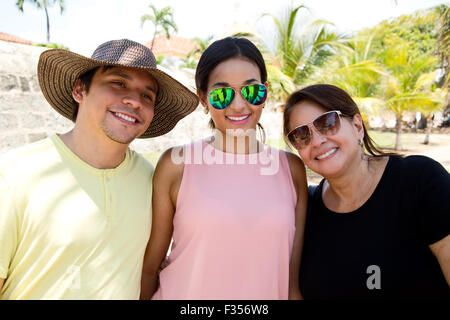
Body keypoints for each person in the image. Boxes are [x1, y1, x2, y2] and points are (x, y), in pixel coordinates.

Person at [0, 39, 199, 299]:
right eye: (118, 83)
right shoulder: (15, 173)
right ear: (80, 89)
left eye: (147, 95)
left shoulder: (152, 182)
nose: (135, 101)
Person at [140, 37, 308, 300]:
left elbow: (290, 283)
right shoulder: (176, 165)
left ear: (265, 92)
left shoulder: (291, 169)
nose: (239, 105)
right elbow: (149, 269)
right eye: (222, 94)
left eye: (251, 91)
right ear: (204, 100)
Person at [283, 84, 450, 299]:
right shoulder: (307, 209)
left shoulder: (419, 181)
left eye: (327, 123)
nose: (317, 141)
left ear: (357, 126)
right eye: (301, 135)